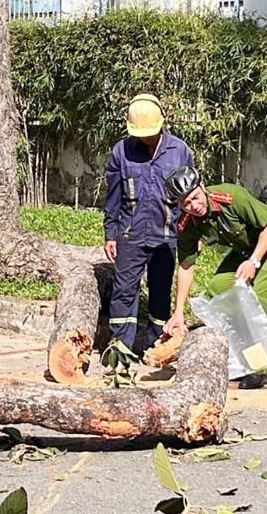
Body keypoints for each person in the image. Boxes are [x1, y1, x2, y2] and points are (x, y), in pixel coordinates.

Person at [162, 166, 267, 389]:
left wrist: (254, 262)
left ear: (202, 186)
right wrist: (178, 313)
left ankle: (259, 369)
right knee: (218, 290)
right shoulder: (188, 224)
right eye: (186, 203)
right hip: (244, 251)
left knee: (259, 301)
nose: (194, 206)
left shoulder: (230, 197)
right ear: (179, 205)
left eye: (195, 197)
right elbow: (186, 266)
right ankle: (240, 357)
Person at [103, 94, 194, 353]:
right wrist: (111, 233)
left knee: (160, 293)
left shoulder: (179, 151)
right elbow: (113, 196)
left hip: (166, 236)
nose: (146, 138)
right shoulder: (122, 151)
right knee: (124, 292)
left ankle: (156, 347)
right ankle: (120, 348)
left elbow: (192, 196)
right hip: (130, 235)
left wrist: (192, 232)